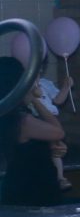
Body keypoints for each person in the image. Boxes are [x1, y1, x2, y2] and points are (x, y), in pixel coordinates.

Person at [0, 57, 70, 207]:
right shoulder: (22, 120)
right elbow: (58, 131)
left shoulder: (8, 117)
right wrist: (34, 100)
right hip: (33, 188)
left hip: (25, 185)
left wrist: (52, 148)